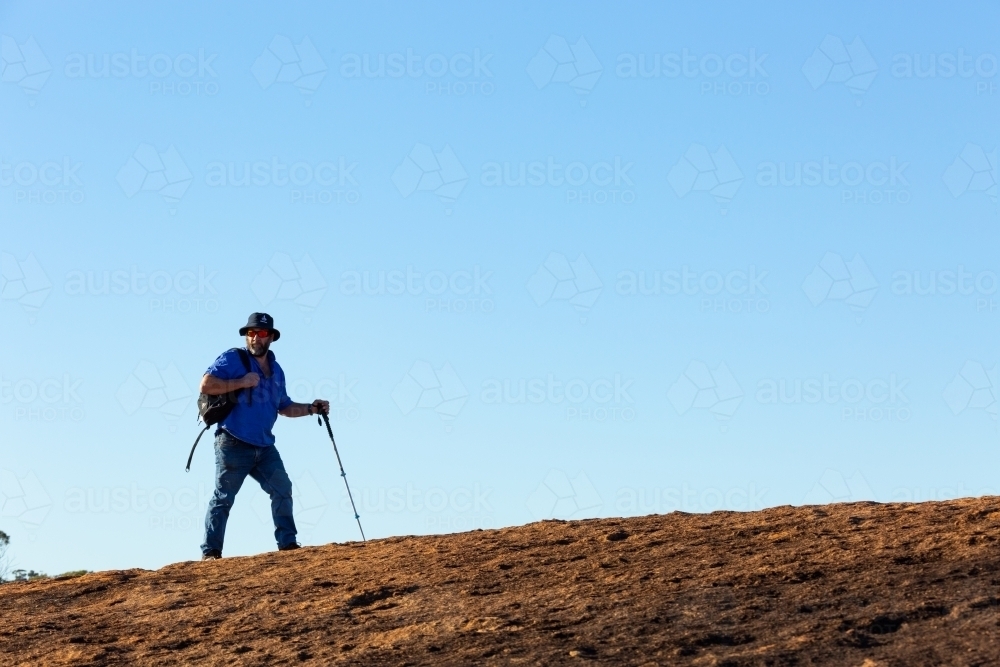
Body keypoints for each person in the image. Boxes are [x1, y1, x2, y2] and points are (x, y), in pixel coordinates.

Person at [199, 313, 329, 560]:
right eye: (251, 333)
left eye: (261, 333)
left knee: (283, 489)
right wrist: (241, 382)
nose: (255, 338)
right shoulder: (233, 358)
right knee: (224, 497)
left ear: (271, 337)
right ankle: (211, 553)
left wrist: (312, 408)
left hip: (265, 446)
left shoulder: (277, 371)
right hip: (232, 441)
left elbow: (284, 406)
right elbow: (205, 385)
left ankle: (288, 545)